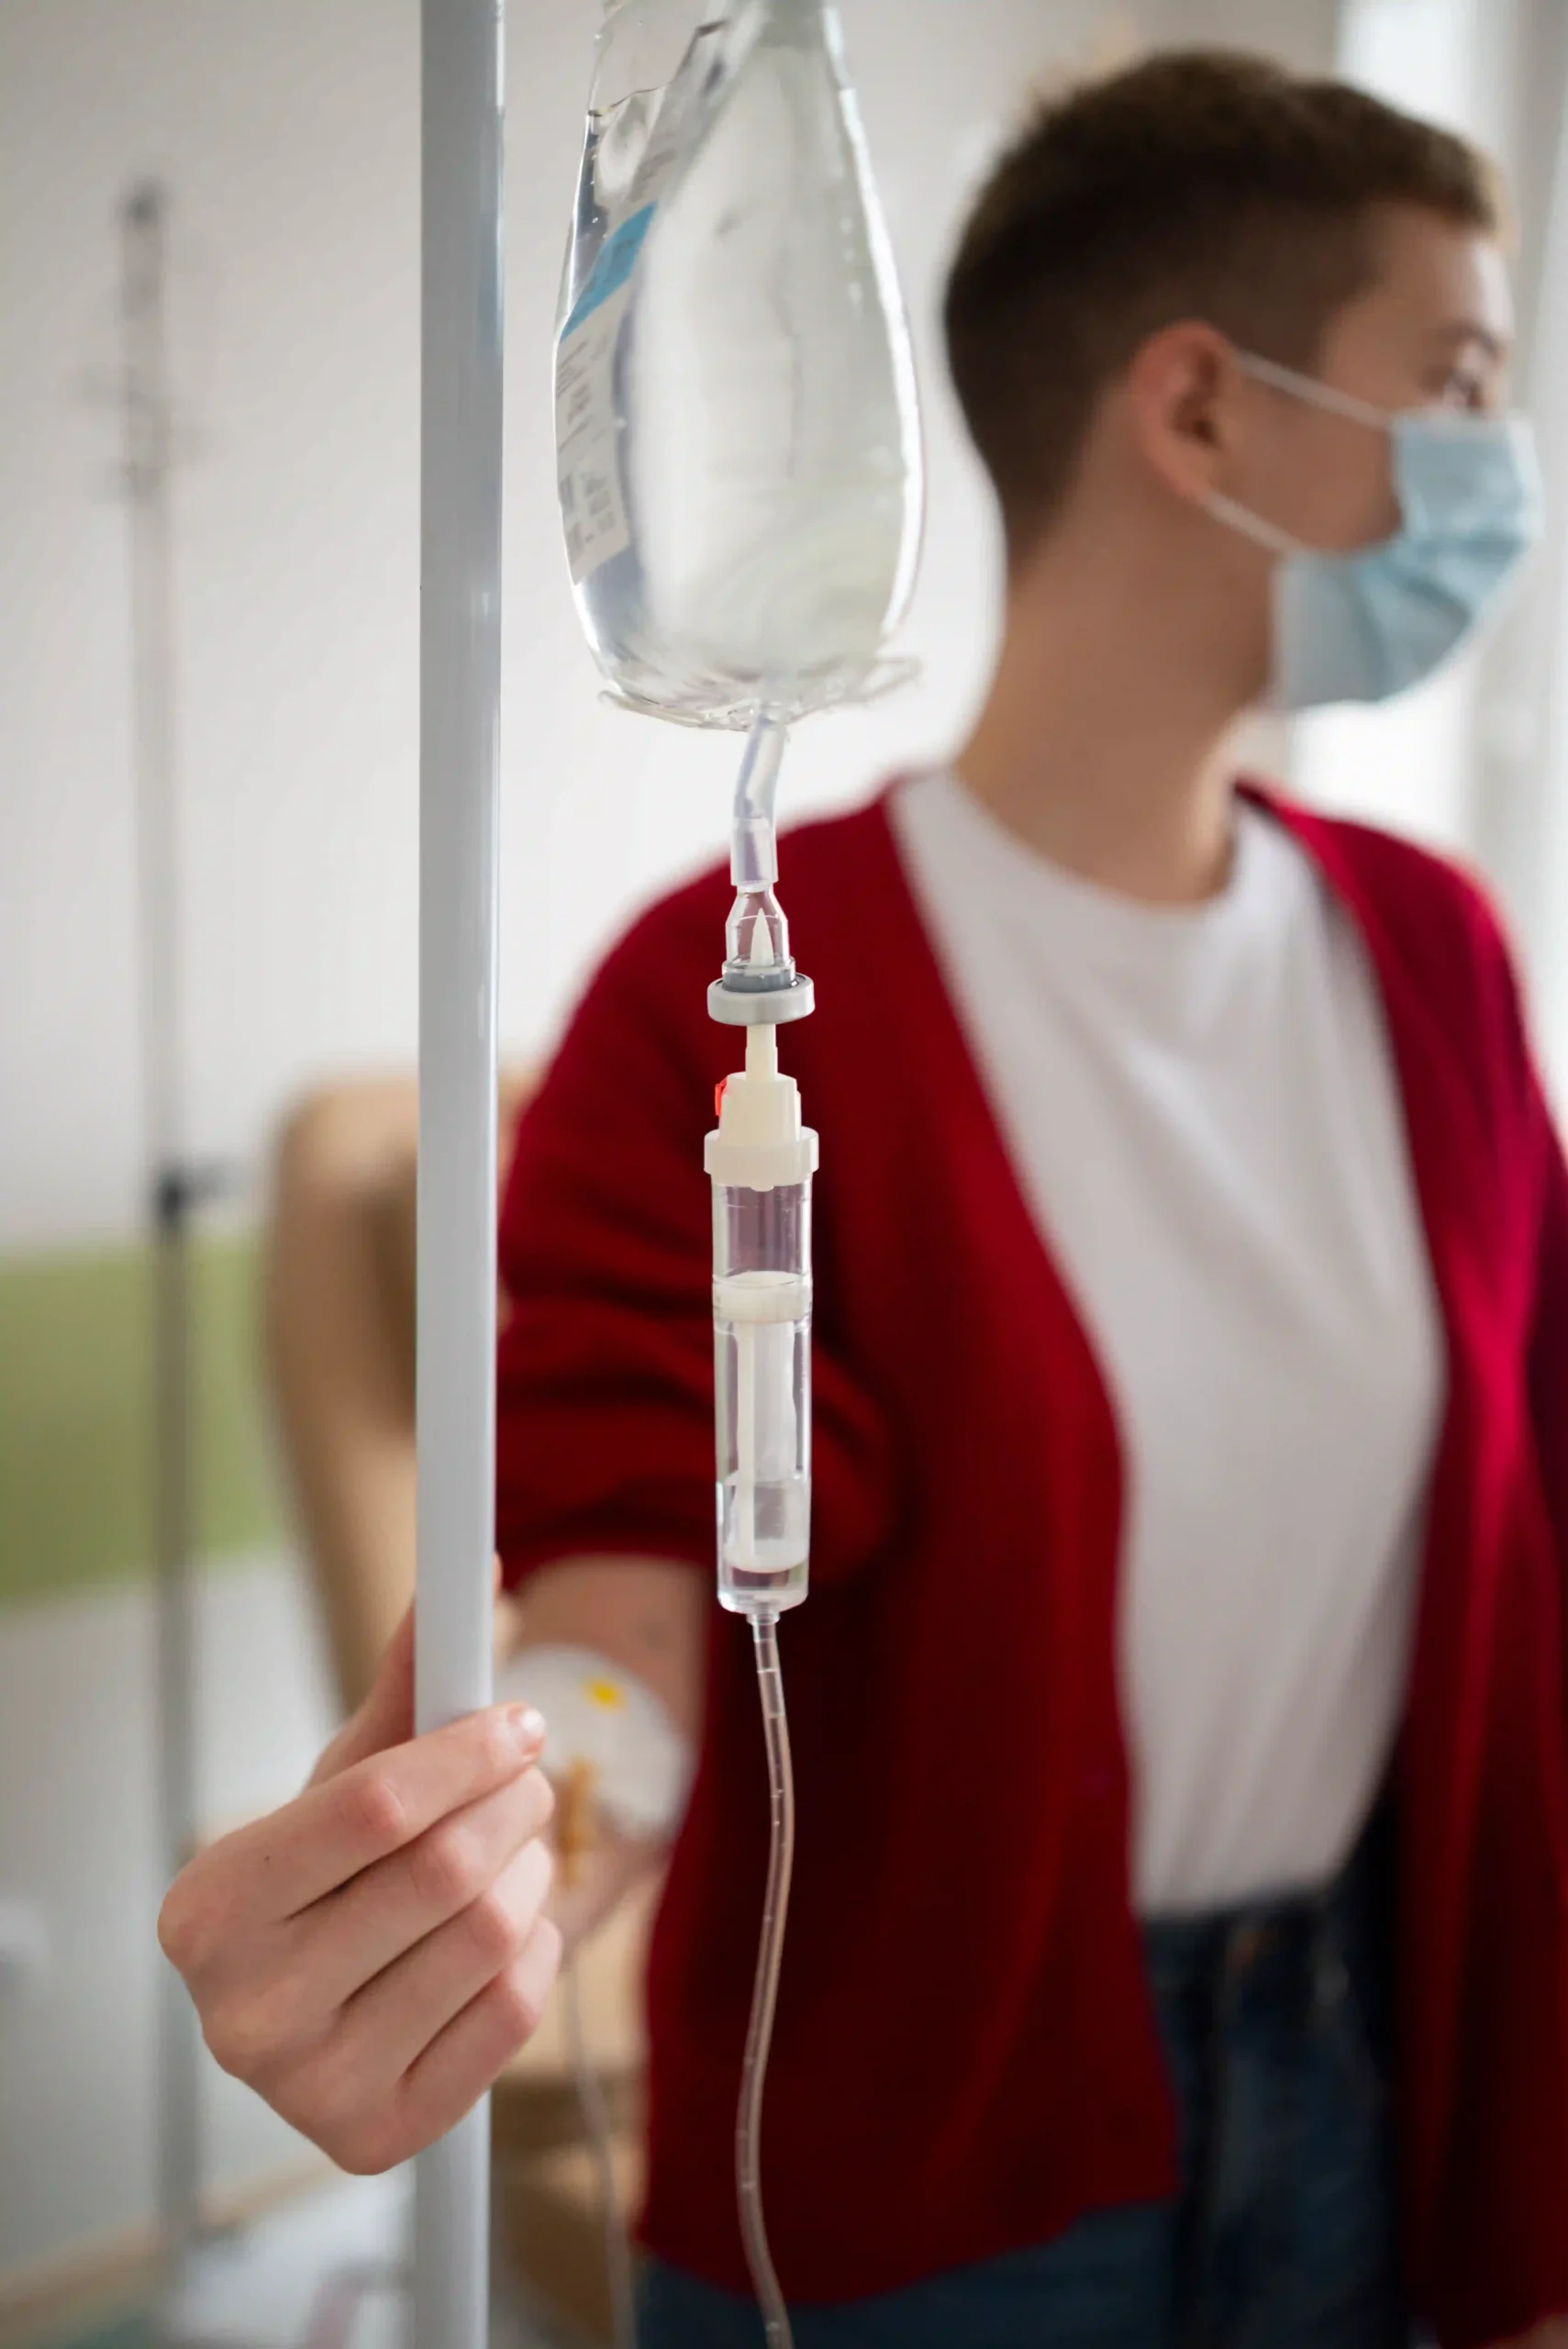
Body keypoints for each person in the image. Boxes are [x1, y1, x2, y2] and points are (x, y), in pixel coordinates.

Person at [160, 50, 1568, 2349]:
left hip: (1368, 2099)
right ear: (1196, 409)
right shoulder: (725, 1003)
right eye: (1461, 381)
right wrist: (504, 1856)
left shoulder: (1431, 957)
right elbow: (631, 1612)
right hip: (939, 2171)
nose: (1497, 464)